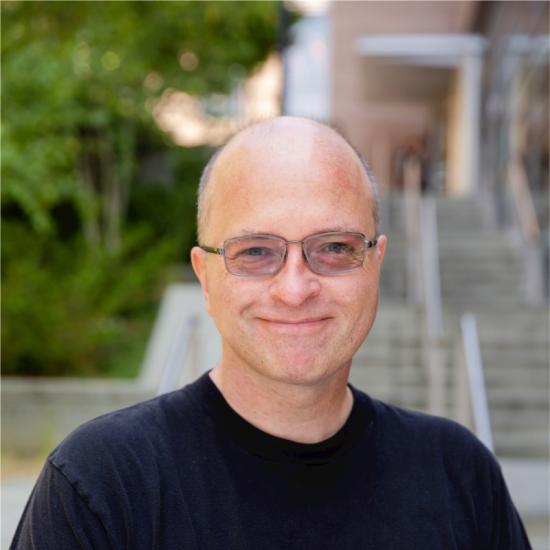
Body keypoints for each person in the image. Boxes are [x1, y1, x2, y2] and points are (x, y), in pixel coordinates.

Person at [12, 117, 531, 549]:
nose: (295, 288)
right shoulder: (103, 483)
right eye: (256, 252)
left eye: (334, 247)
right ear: (205, 275)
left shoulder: (459, 476)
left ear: (377, 262)